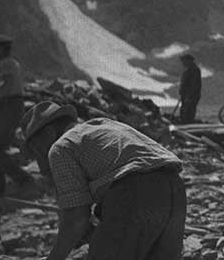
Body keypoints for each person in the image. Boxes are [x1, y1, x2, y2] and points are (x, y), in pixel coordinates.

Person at [21, 101, 186, 260]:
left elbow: (76, 218)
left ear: (49, 132)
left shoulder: (61, 147)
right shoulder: (102, 126)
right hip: (175, 187)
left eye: (37, 148)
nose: (39, 157)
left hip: (134, 191)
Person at [0, 35, 36, 197]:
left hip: (10, 105)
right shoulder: (4, 65)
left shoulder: (8, 64)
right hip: (5, 106)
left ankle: (24, 180)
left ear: (0, 49)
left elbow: (6, 85)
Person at [177, 53, 202, 124]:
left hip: (191, 96)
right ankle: (185, 123)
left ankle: (187, 124)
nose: (182, 63)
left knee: (188, 112)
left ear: (189, 60)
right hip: (186, 96)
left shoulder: (194, 70)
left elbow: (194, 84)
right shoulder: (188, 70)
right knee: (184, 111)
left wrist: (189, 95)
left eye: (184, 61)